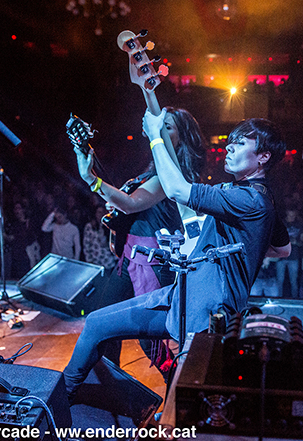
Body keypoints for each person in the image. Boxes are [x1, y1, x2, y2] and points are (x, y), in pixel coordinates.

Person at [63, 114, 290, 401]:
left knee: (185, 396)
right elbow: (283, 249)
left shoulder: (249, 200)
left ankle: (67, 400)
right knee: (96, 323)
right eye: (231, 141)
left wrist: (155, 135)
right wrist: (247, 245)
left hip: (206, 310)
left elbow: (176, 190)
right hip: (182, 294)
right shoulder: (246, 194)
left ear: (263, 157)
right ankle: (60, 400)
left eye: (241, 143)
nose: (229, 147)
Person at [73, 107, 206, 368]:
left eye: (168, 127)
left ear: (182, 139)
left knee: (149, 341)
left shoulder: (172, 176)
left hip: (151, 264)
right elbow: (128, 204)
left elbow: (131, 203)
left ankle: (176, 381)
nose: (160, 131)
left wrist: (91, 179)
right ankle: (112, 384)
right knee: (102, 321)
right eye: (160, 126)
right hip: (129, 259)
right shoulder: (152, 171)